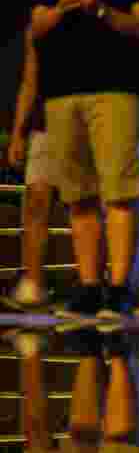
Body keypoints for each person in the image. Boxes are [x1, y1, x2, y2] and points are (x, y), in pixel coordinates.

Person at [33, 0, 139, 324]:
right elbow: (37, 26)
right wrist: (64, 9)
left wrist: (100, 10)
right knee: (78, 196)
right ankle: (89, 288)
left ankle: (119, 291)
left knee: (118, 191)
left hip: (116, 88)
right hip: (60, 91)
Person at [5, 26, 56, 311]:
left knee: (86, 205)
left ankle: (95, 285)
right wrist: (18, 133)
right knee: (35, 199)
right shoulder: (40, 21)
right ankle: (32, 286)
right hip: (43, 124)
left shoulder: (94, 13)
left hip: (84, 121)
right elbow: (29, 79)